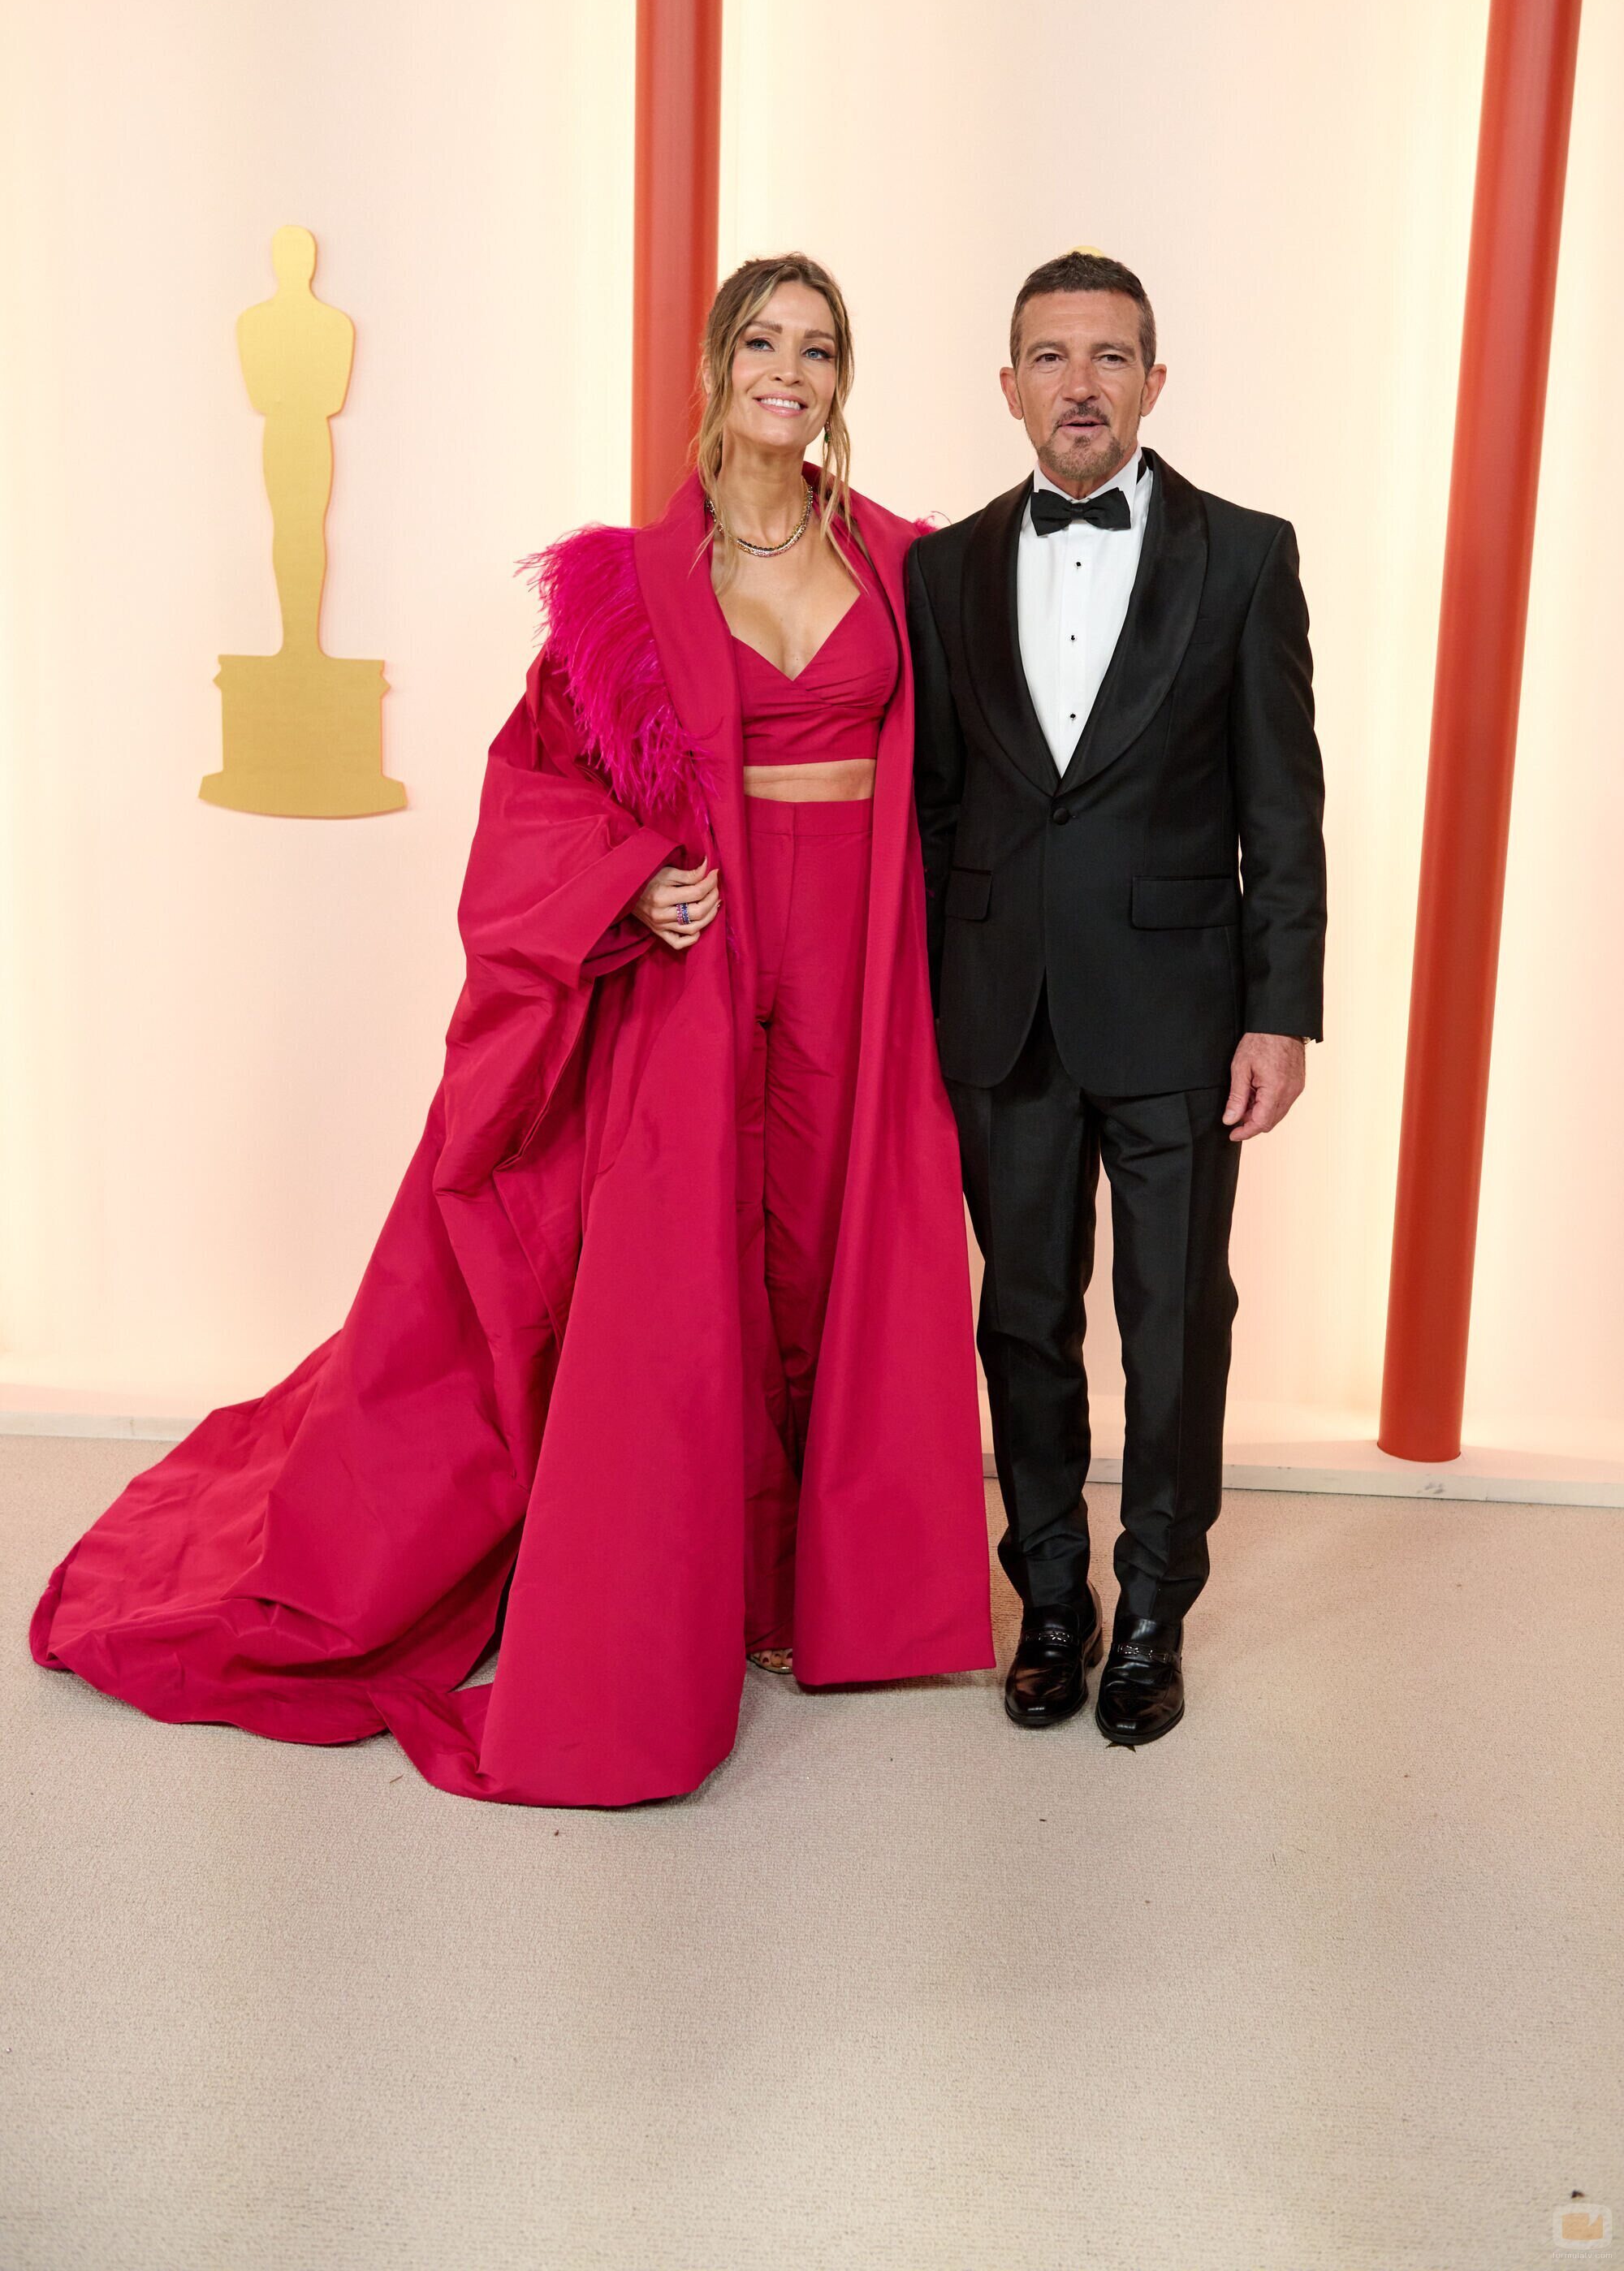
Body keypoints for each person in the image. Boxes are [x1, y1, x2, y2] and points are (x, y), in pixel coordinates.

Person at [32, 253, 993, 1807]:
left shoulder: (905, 565)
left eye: (818, 350)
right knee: (692, 1266)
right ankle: (702, 1592)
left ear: (842, 379)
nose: (790, 372)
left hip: (859, 953)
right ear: (716, 365)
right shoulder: (629, 585)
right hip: (701, 954)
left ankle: (824, 1596)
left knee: (833, 1246)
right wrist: (632, 884)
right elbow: (537, 781)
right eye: (763, 342)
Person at [907, 249, 1325, 1746]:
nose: (1078, 384)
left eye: (1107, 357)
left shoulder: (1248, 554)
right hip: (1002, 1013)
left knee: (1174, 1322)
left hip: (1184, 1017)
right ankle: (1051, 1602)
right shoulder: (941, 570)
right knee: (1021, 1320)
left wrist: (1281, 1009)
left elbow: (1283, 808)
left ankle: (1154, 1611)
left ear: (1153, 382)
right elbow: (936, 807)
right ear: (1008, 385)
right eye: (1050, 356)